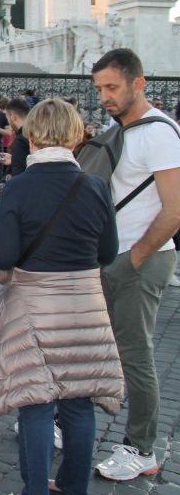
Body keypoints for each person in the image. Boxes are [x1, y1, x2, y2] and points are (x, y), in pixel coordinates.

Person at [0, 98, 123, 495]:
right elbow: (108, 252)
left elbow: (3, 255)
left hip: (36, 306)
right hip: (85, 307)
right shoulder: (95, 186)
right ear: (75, 136)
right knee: (79, 402)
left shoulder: (19, 187)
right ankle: (74, 486)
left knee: (36, 404)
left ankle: (36, 488)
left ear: (33, 136)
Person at [89, 49, 180, 481]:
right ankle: (71, 422)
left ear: (138, 83)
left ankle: (141, 448)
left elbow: (175, 208)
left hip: (141, 259)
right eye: (99, 89)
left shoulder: (159, 134)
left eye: (112, 87)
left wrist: (134, 259)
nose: (105, 96)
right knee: (95, 345)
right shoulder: (121, 129)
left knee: (135, 355)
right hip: (113, 255)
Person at [0, 97, 31, 177]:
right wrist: (14, 159)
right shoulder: (35, 133)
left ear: (12, 116)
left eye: (7, 117)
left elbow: (19, 173)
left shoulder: (21, 140)